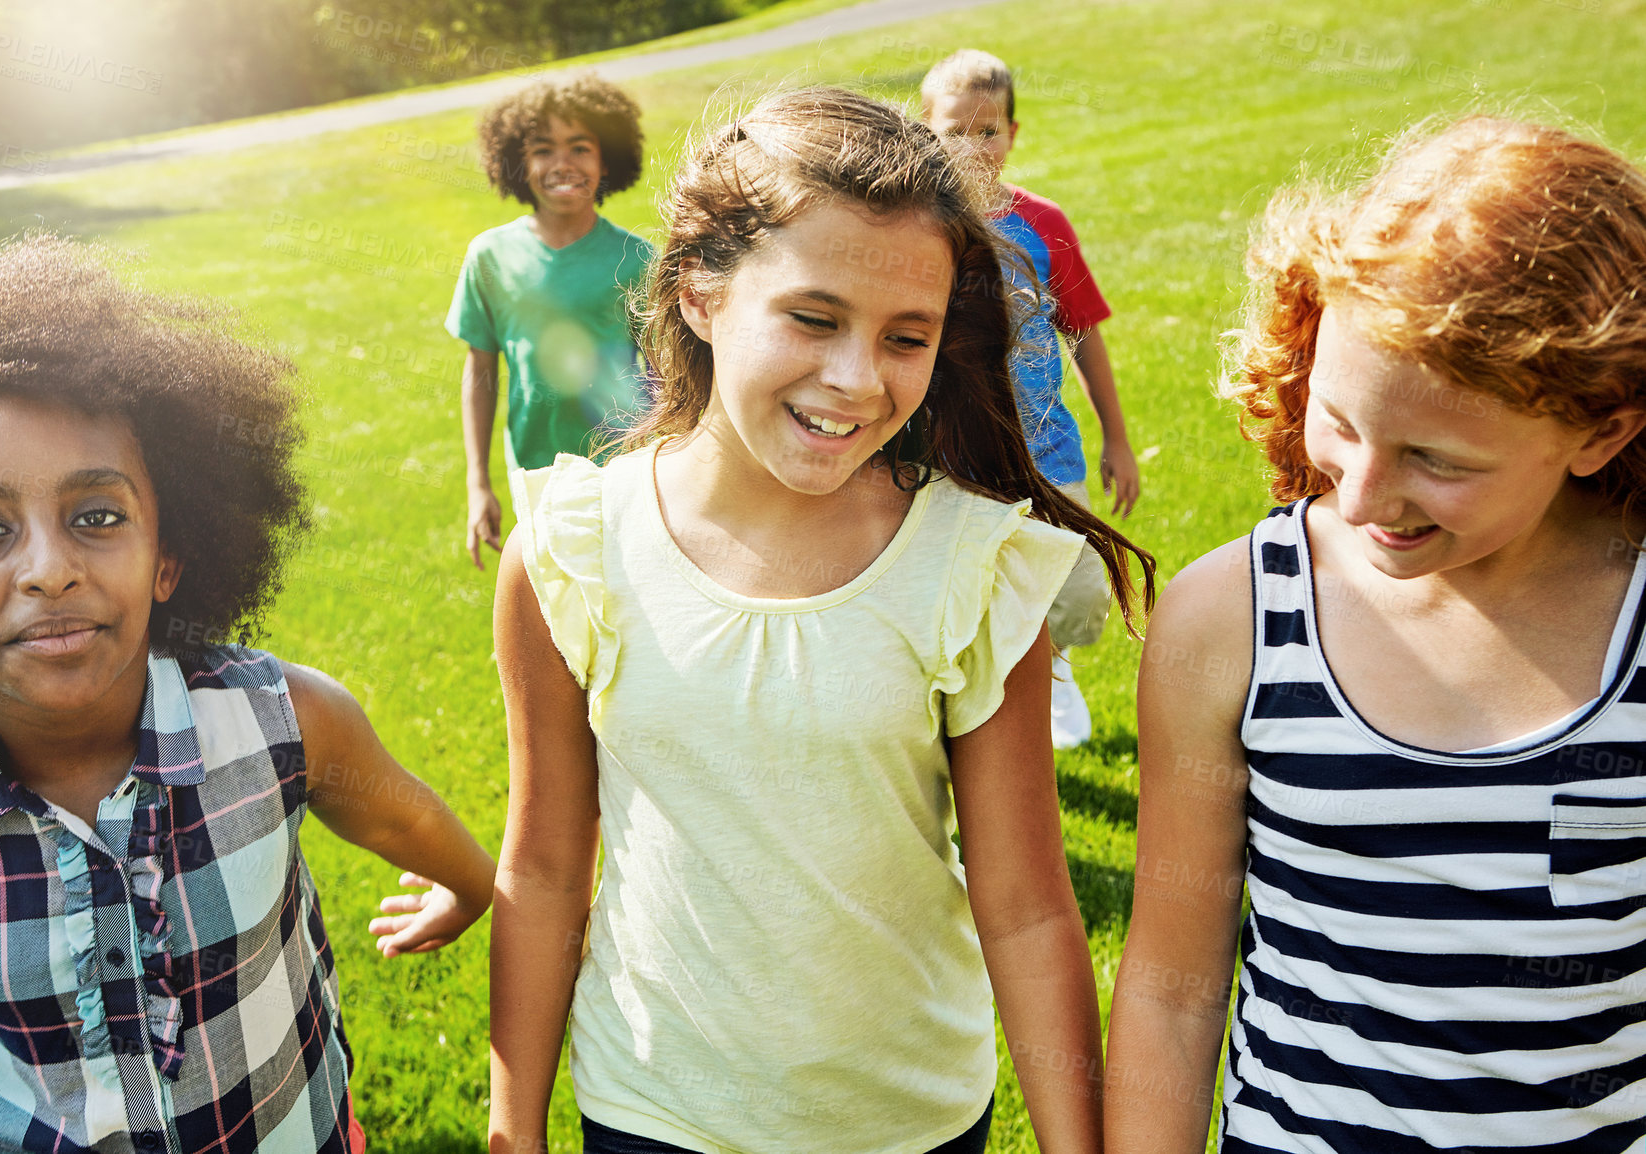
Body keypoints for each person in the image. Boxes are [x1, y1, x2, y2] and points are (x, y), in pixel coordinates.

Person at [487, 86, 1154, 1154]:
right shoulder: (572, 549)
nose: (855, 378)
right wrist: (511, 1129)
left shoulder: (971, 569)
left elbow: (1027, 905)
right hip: (653, 1112)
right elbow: (546, 867)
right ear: (700, 290)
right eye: (812, 316)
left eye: (906, 336)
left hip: (910, 1119)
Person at [1105, 117, 1646, 1152]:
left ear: (1600, 428)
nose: (1358, 493)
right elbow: (1173, 991)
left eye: (1436, 458)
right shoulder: (1234, 619)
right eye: (1339, 421)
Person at [0, 235, 497, 1154]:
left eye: (96, 517)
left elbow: (404, 815)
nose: (49, 570)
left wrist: (467, 888)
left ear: (169, 556)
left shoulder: (283, 721)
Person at [920, 50, 1139, 749]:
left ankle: (1058, 665)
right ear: (926, 130)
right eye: (955, 130)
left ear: (1014, 133)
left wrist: (1117, 438)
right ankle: (983, 709)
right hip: (956, 454)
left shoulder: (1044, 224)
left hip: (1048, 451)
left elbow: (1083, 334)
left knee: (1074, 593)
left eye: (988, 131)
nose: (973, 147)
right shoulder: (920, 227)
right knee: (974, 596)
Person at [449, 73, 655, 567]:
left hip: (625, 469)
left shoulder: (638, 259)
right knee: (550, 607)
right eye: (543, 150)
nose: (563, 164)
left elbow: (671, 370)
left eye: (580, 147)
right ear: (518, 163)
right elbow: (479, 371)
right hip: (535, 473)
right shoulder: (490, 257)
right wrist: (479, 483)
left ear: (607, 161)